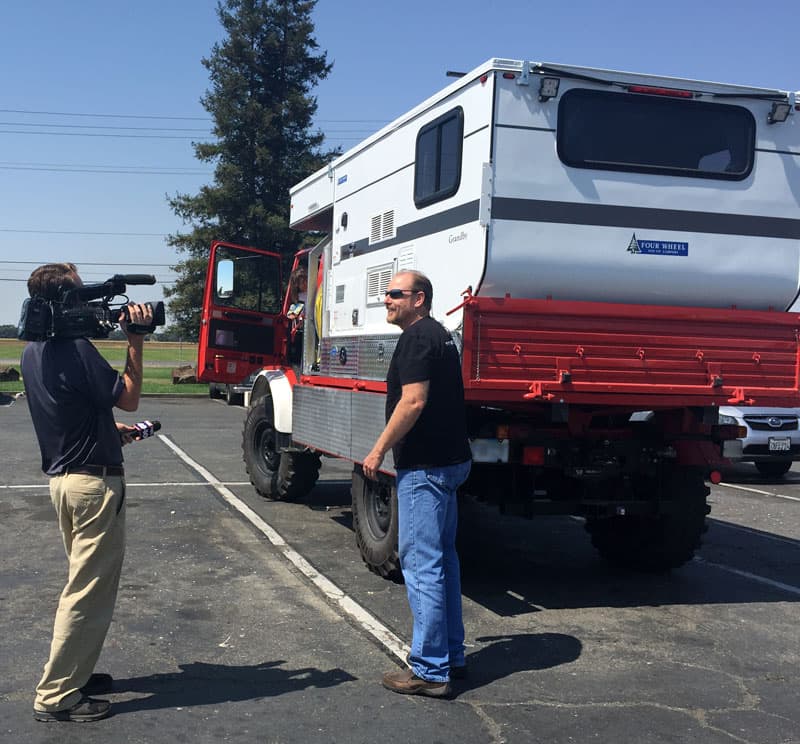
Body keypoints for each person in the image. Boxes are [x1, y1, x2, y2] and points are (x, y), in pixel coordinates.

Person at [21, 262, 153, 723]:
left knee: (85, 586)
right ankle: (57, 695)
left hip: (65, 482)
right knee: (87, 592)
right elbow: (131, 395)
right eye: (79, 295)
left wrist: (108, 430)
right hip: (92, 486)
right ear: (65, 301)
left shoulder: (35, 351)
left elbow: (68, 411)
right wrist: (136, 338)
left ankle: (75, 673)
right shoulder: (76, 348)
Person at [363, 270, 472, 699]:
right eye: (386, 292)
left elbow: (414, 401)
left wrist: (376, 451)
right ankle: (452, 655)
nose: (387, 299)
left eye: (395, 293)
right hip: (449, 463)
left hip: (425, 468)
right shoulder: (439, 334)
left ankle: (429, 670)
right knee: (444, 559)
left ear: (419, 299)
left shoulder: (415, 338)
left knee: (422, 564)